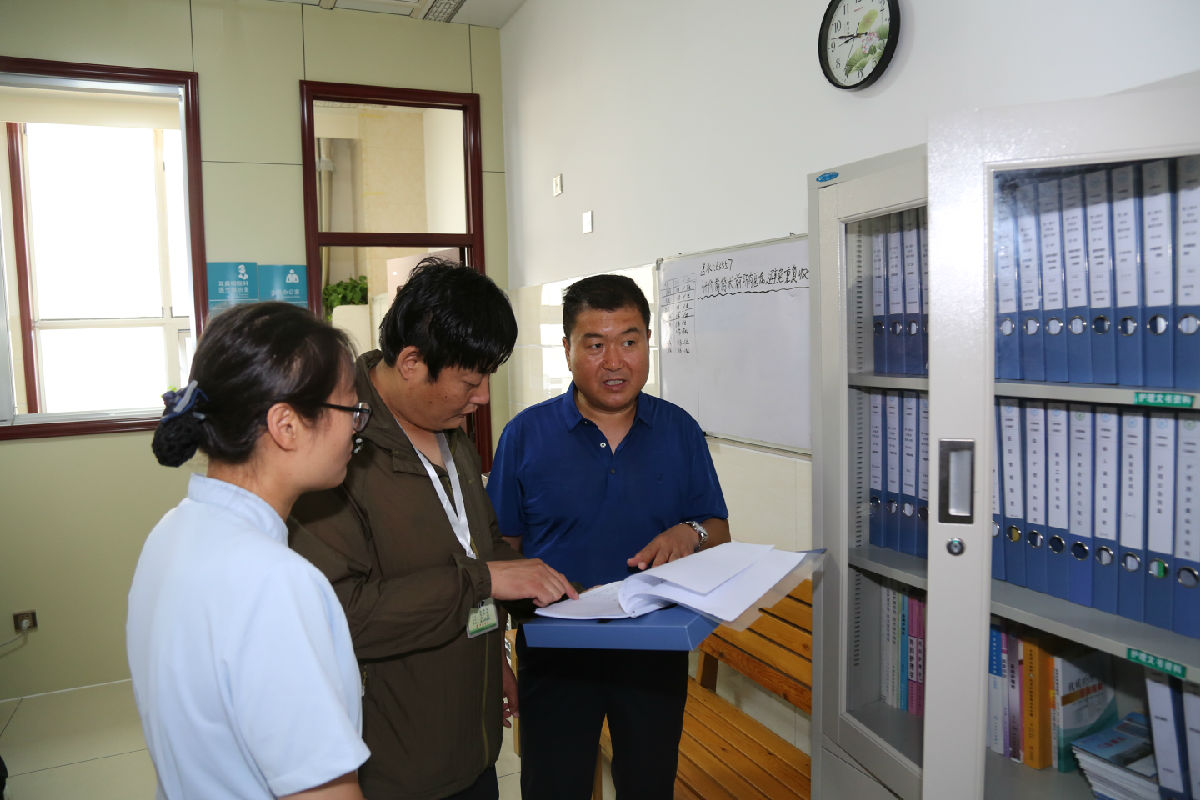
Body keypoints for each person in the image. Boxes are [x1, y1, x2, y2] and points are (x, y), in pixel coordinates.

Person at [289, 258, 576, 800]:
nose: (483, 396)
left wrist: (495, 655)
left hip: (472, 748)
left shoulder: (449, 428)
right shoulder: (337, 451)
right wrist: (483, 581)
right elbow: (340, 616)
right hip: (393, 772)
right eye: (470, 380)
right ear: (412, 362)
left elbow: (479, 543)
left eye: (487, 377)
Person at [486, 273, 732, 800]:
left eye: (629, 341)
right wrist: (497, 653)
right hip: (554, 657)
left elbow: (718, 531)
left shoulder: (680, 431)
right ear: (568, 350)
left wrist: (690, 532)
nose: (615, 361)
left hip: (654, 653)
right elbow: (501, 554)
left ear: (648, 342)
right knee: (555, 788)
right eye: (595, 345)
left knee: (648, 785)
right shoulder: (525, 435)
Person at [127, 302, 371, 800]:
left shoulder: (171, 534)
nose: (356, 426)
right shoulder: (274, 581)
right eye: (351, 410)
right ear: (286, 425)